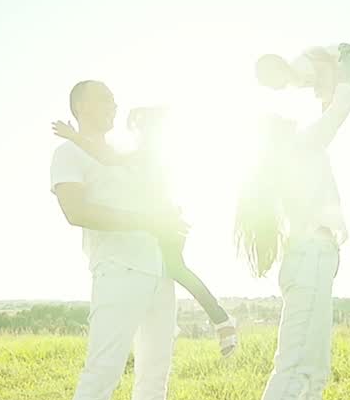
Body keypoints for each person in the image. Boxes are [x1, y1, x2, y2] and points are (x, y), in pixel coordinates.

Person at [44, 80, 201, 400]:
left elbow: (156, 202)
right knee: (99, 380)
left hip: (157, 275)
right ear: (79, 106)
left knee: (155, 379)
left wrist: (169, 223)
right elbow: (76, 211)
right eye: (103, 99)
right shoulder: (68, 154)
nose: (114, 105)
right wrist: (147, 220)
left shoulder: (126, 156)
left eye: (115, 99)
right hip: (117, 274)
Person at [235, 78, 350, 400]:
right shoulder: (301, 146)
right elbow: (340, 104)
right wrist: (339, 82)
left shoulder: (301, 151)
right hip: (309, 257)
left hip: (315, 256)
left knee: (313, 372)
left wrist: (338, 91)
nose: (293, 119)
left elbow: (337, 102)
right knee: (292, 371)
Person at [50, 105, 239, 356]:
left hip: (163, 223)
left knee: (174, 268)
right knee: (169, 271)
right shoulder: (144, 153)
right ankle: (187, 325)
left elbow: (106, 158)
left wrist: (74, 137)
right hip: (162, 221)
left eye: (140, 126)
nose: (136, 131)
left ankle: (221, 320)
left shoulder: (148, 153)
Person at [255, 42, 350, 115]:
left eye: (271, 81)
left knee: (345, 84)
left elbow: (325, 67)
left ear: (280, 68)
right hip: (335, 70)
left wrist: (326, 97)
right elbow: (321, 85)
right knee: (337, 93)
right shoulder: (296, 82)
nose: (273, 87)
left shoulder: (301, 65)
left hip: (345, 54)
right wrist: (327, 101)